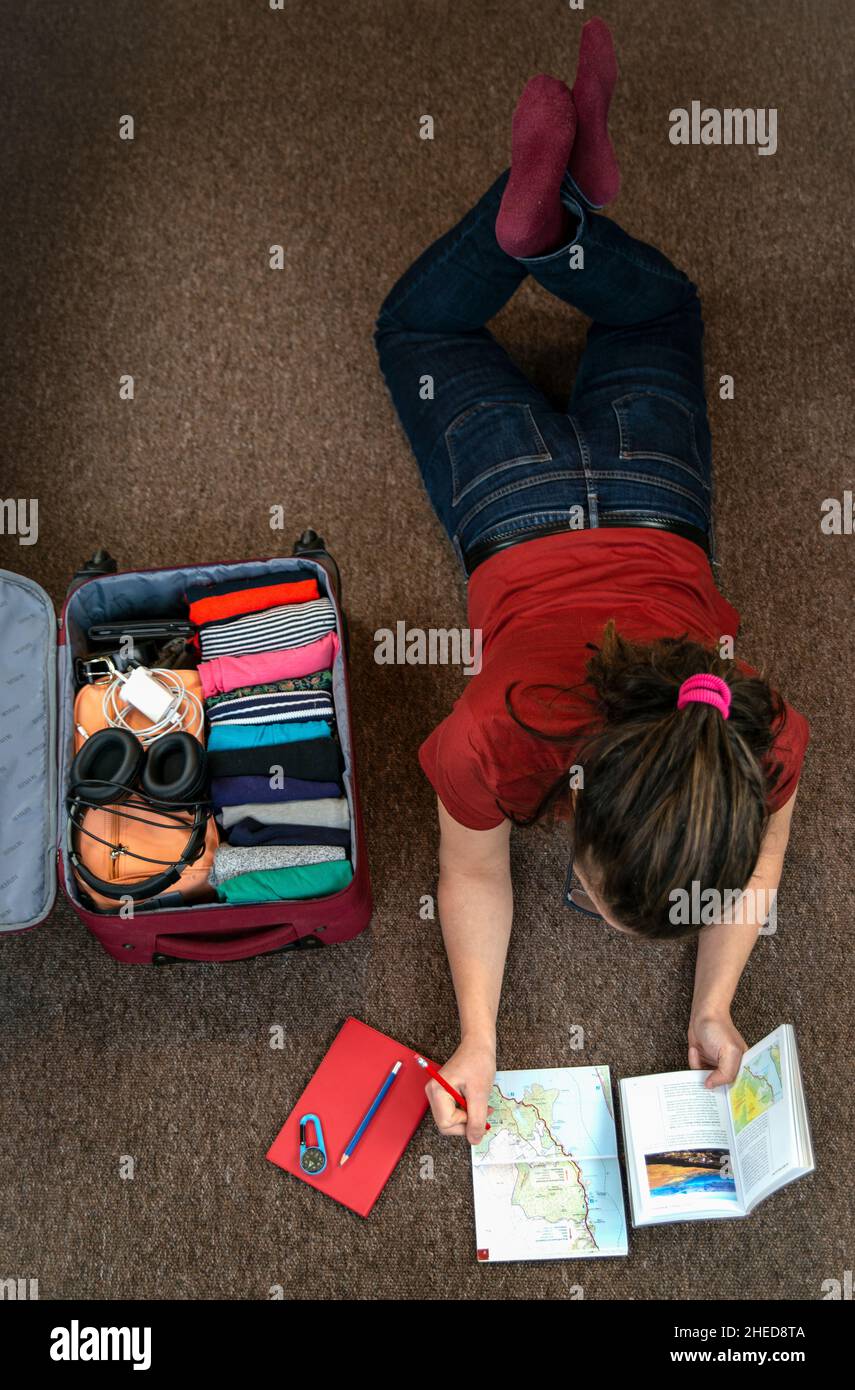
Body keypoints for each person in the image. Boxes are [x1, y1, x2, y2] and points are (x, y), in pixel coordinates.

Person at [373, 19, 808, 1143]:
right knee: (415, 324)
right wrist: (478, 1032)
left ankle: (561, 220)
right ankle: (541, 217)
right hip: (512, 515)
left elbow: (750, 863)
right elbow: (472, 876)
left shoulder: (752, 721)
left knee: (659, 306)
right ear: (574, 802)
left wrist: (714, 1003)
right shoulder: (496, 735)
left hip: (653, 491)